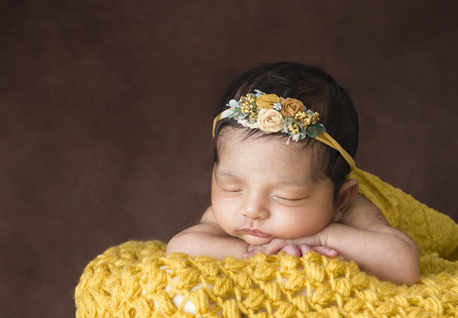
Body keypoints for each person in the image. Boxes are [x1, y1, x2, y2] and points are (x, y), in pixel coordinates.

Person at [165, 62, 420, 285]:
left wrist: (322, 237)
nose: (252, 209)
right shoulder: (229, 216)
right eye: (232, 188)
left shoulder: (354, 209)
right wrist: (254, 251)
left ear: (341, 199)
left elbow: (404, 265)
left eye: (287, 196)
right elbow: (180, 247)